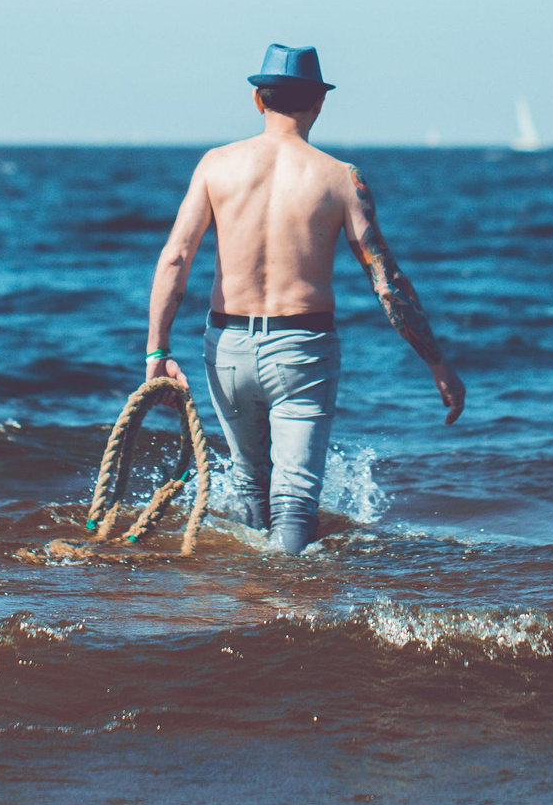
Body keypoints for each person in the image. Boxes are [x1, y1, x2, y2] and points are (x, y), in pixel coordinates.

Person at [143, 43, 466, 553]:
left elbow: (174, 259)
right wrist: (437, 364)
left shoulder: (216, 165)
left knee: (250, 486)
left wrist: (157, 354)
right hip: (301, 350)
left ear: (258, 100)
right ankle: (288, 619)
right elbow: (387, 283)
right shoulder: (340, 178)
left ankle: (245, 616)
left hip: (225, 347)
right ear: (319, 103)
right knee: (294, 502)